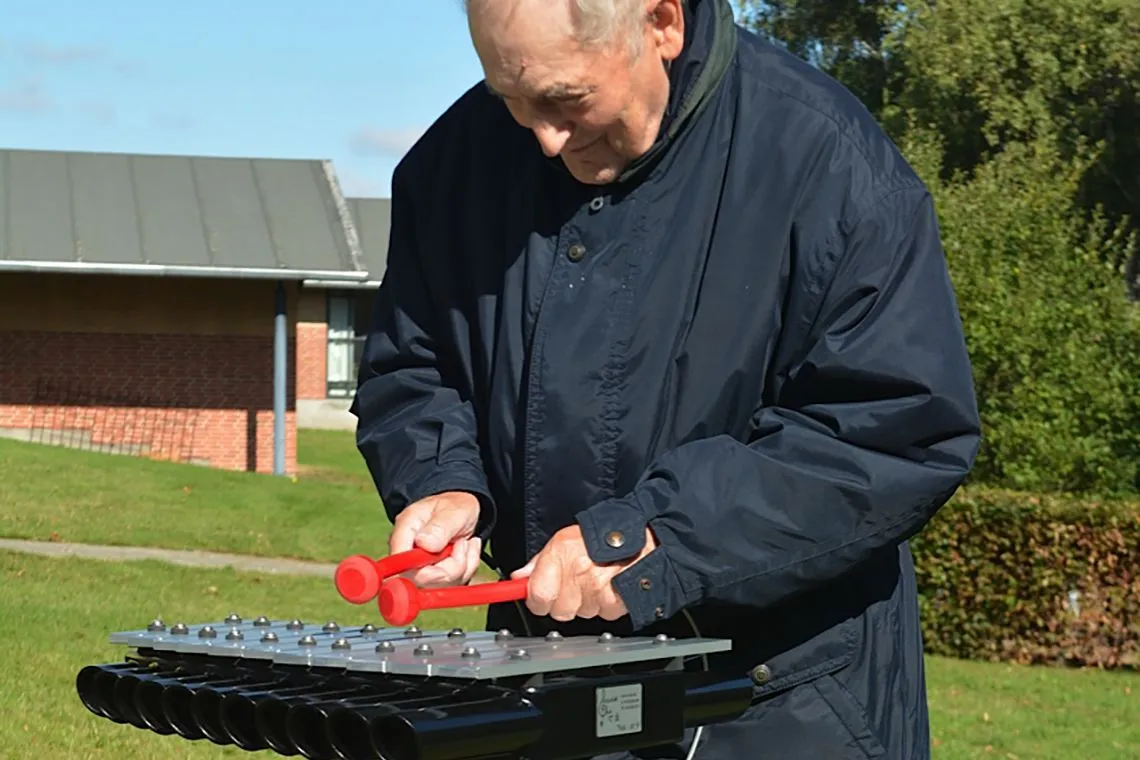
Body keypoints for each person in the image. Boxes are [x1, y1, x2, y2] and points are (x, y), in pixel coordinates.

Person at [350, 0, 982, 757]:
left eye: (564, 99)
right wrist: (444, 480)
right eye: (509, 100)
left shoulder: (829, 163)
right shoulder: (452, 165)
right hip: (541, 700)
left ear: (662, 22)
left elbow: (894, 431)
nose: (543, 139)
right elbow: (411, 369)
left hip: (779, 708)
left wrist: (657, 537)